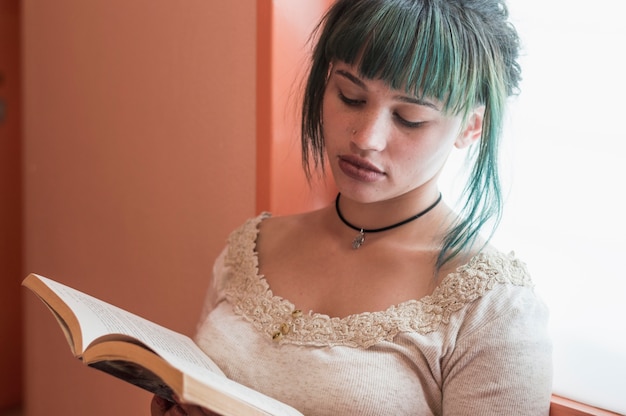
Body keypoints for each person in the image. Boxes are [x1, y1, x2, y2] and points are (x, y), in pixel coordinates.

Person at [152, 0, 552, 414]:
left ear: (471, 127)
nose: (366, 138)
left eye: (409, 118)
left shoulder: (493, 308)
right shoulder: (251, 248)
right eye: (351, 97)